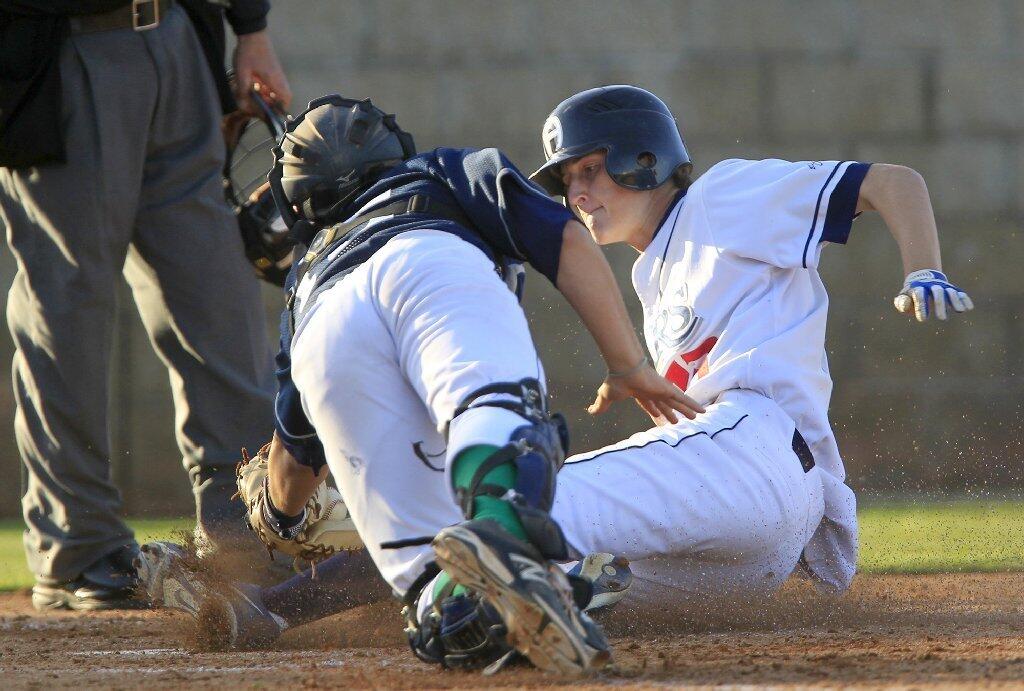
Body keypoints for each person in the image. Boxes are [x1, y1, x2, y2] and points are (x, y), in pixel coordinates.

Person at [0, 0, 291, 611]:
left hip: (176, 38)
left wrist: (252, 29)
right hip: (60, 48)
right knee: (67, 304)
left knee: (218, 295)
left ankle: (246, 532)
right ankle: (77, 546)